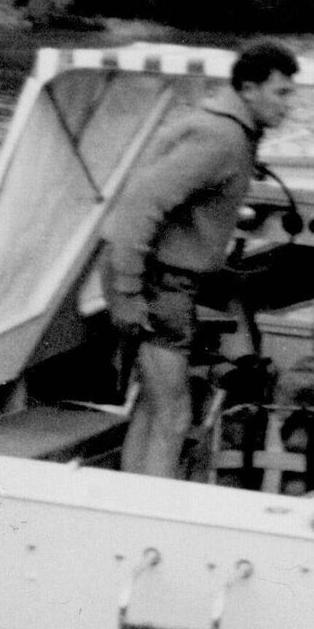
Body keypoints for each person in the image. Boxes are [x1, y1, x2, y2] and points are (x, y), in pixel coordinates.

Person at [99, 39, 300, 478]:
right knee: (174, 413)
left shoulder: (223, 129)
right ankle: (155, 522)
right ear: (248, 89)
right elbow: (139, 205)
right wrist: (128, 291)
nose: (290, 105)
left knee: (154, 407)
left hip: (158, 276)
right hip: (158, 281)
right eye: (281, 93)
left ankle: (134, 501)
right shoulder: (221, 138)